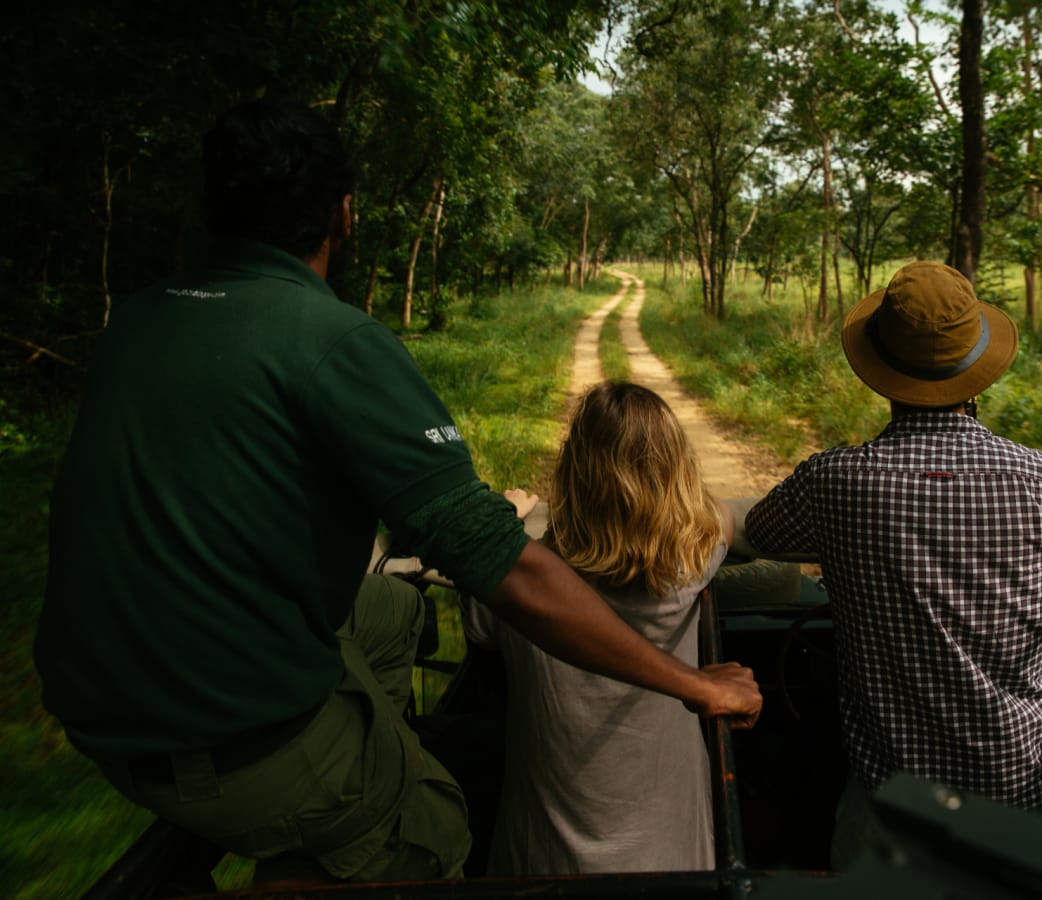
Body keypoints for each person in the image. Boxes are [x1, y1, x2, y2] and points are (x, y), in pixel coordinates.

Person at [33, 98, 760, 887]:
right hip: (228, 736)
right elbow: (505, 572)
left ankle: (356, 762)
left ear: (211, 209)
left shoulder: (138, 320)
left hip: (94, 704)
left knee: (392, 613)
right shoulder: (335, 339)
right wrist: (694, 683)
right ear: (343, 214)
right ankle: (334, 831)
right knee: (433, 829)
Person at [743, 261, 1042, 854]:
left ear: (882, 373)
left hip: (894, 799)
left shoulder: (835, 481)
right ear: (977, 371)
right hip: (1022, 791)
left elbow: (761, 532)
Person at [461, 382, 733, 875]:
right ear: (677, 474)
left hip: (542, 865)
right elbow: (720, 517)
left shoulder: (518, 590)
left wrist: (508, 521)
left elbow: (480, 621)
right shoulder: (692, 566)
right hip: (673, 861)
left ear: (571, 474)